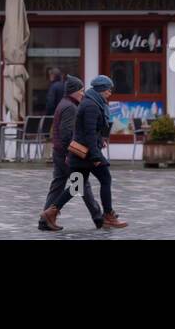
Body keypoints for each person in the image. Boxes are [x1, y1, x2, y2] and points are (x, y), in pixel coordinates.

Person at [43, 75, 128, 231]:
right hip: (86, 153)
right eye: (109, 89)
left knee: (77, 186)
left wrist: (102, 137)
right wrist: (96, 156)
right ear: (101, 89)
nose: (110, 92)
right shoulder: (90, 105)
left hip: (82, 153)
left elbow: (94, 129)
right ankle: (107, 216)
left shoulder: (94, 103)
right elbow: (88, 133)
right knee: (105, 178)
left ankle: (50, 212)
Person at [37, 76, 102, 231]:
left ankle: (44, 220)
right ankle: (99, 218)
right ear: (73, 92)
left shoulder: (64, 104)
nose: (83, 94)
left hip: (59, 152)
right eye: (81, 91)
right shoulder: (70, 107)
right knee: (81, 184)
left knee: (58, 186)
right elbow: (67, 133)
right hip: (66, 154)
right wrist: (70, 153)